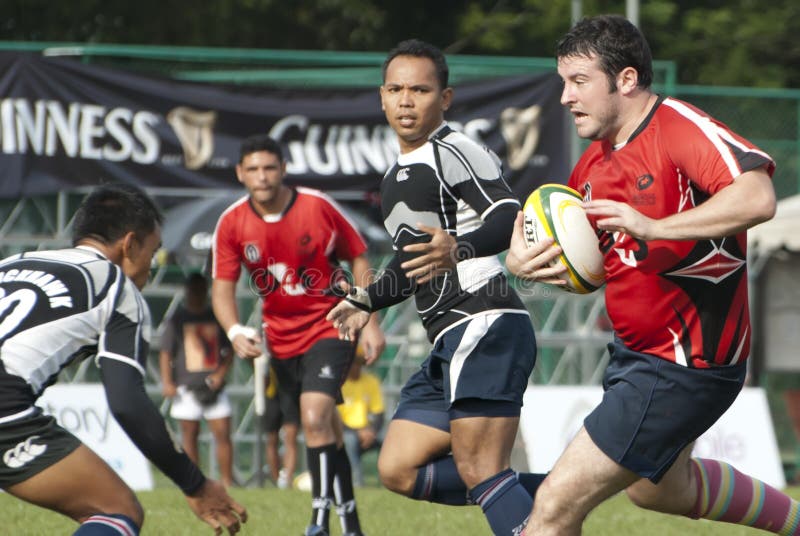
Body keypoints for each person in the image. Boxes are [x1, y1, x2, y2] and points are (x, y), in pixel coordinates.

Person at [504, 15, 798, 536]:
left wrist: (655, 225)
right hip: (636, 356)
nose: (565, 98)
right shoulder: (592, 164)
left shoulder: (678, 126)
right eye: (561, 83)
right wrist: (526, 265)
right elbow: (591, 269)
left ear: (626, 79)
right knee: (659, 489)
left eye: (578, 82)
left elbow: (757, 197)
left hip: (683, 365)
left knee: (552, 509)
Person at [327, 39, 546, 536]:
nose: (406, 100)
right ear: (381, 97)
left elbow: (507, 215)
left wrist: (461, 248)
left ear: (444, 99)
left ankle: (547, 504)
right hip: (449, 337)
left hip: (483, 322)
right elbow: (417, 265)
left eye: (420, 90)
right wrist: (365, 300)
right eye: (396, 89)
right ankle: (561, 488)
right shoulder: (394, 175)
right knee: (397, 467)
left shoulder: (454, 149)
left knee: (480, 468)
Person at [0, 184, 246, 535]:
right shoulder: (118, 289)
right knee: (115, 509)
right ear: (129, 244)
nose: (151, 266)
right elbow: (128, 403)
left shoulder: (15, 262)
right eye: (153, 251)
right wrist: (195, 484)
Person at [211, 134, 386, 536]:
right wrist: (235, 329)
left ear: (283, 169)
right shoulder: (233, 222)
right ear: (240, 173)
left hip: (332, 323)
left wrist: (369, 317)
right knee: (326, 428)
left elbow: (358, 254)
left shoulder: (316, 205)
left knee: (313, 417)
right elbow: (222, 287)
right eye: (253, 169)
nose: (262, 176)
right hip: (282, 339)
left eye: (270, 167)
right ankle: (352, 525)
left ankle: (318, 522)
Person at [159, 272, 235, 488]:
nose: (197, 294)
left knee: (222, 432)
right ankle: (195, 482)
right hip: (185, 385)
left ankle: (227, 481)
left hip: (213, 386)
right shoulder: (177, 319)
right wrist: (167, 382)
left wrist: (221, 374)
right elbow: (166, 353)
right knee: (189, 434)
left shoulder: (216, 317)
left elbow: (229, 350)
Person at [337, 351, 384, 487]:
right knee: (350, 441)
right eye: (353, 364)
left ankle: (387, 482)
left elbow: (379, 413)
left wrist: (372, 431)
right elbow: (336, 419)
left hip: (367, 431)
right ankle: (357, 483)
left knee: (388, 438)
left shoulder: (371, 381)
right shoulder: (340, 384)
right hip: (346, 431)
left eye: (359, 364)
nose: (356, 367)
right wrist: (358, 432)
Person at [263, 364, 299, 490]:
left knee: (290, 436)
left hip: (291, 390)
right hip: (272, 392)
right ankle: (276, 479)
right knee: (271, 439)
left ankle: (287, 479)